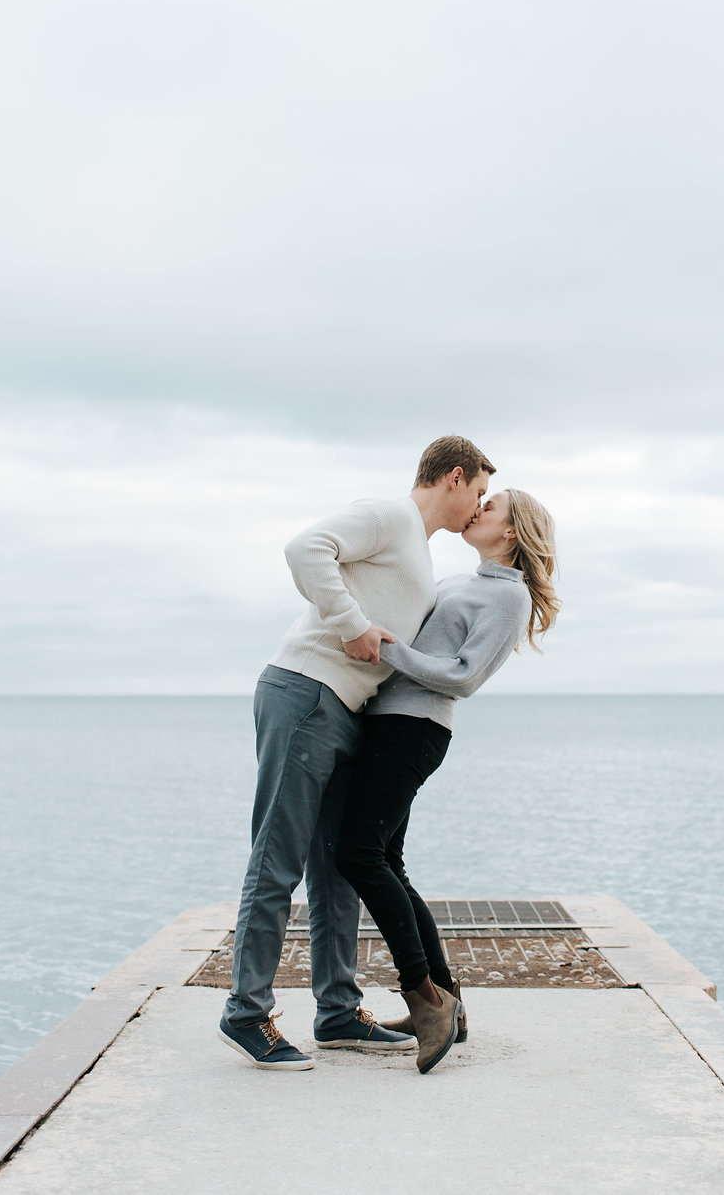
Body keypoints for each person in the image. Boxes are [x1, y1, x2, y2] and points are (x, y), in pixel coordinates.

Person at [216, 436, 495, 1071]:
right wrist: (351, 625)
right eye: (478, 492)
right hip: (305, 690)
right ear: (454, 478)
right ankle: (246, 1012)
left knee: (336, 870)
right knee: (277, 862)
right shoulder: (392, 515)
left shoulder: (417, 551)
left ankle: (338, 1011)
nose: (478, 505)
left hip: (343, 710)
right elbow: (305, 548)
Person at [333, 487, 560, 1074]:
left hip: (416, 729)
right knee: (386, 861)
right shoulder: (467, 580)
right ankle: (448, 1001)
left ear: (512, 532)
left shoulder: (509, 598)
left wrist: (389, 650)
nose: (479, 509)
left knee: (357, 855)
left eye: (493, 506)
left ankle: (424, 997)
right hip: (391, 723)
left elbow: (462, 677)